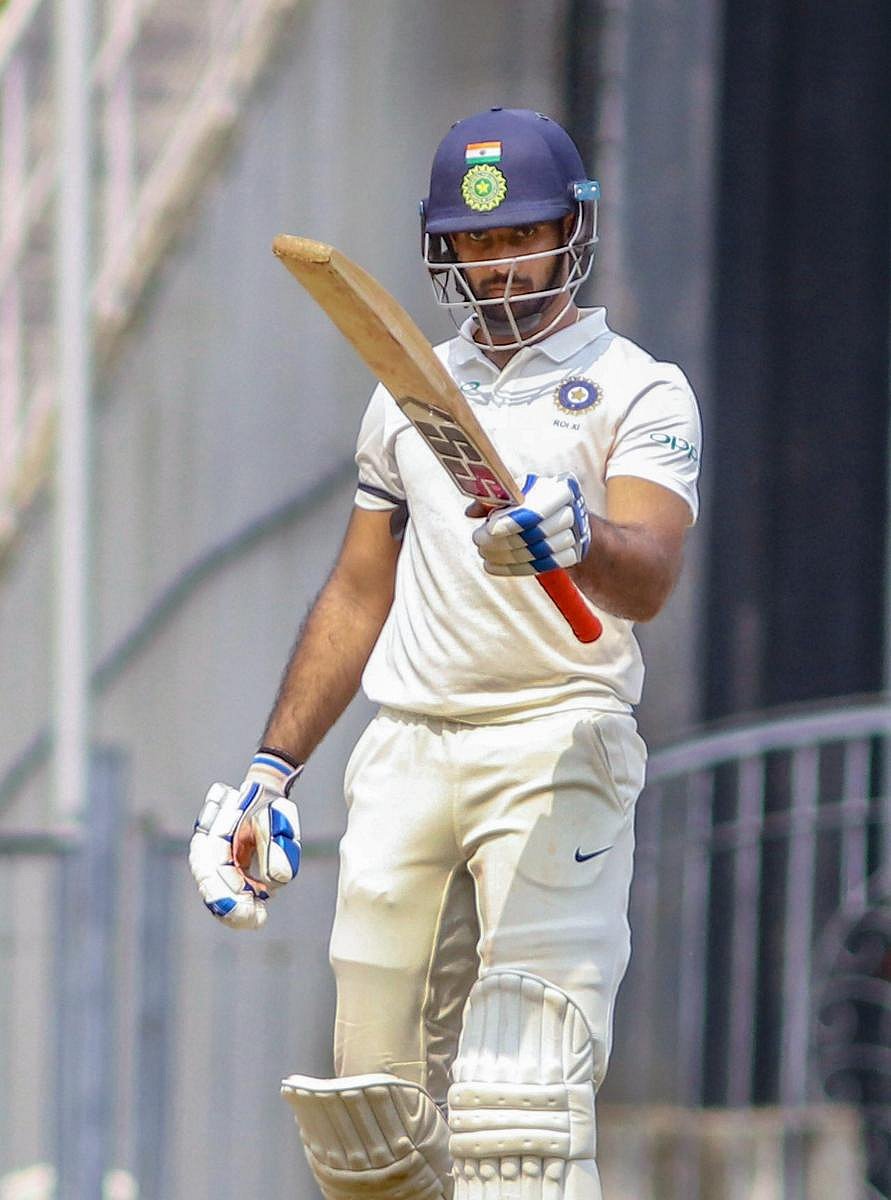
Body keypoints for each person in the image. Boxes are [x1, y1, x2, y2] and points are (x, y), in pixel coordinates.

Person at [189, 106, 701, 1200]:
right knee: (366, 1125)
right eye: (476, 241)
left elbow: (649, 571)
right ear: (445, 251)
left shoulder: (638, 388)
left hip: (555, 740)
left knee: (521, 1109)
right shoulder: (409, 392)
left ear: (574, 230)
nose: (501, 262)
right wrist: (271, 768)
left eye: (522, 235)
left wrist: (583, 539)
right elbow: (356, 591)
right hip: (409, 747)